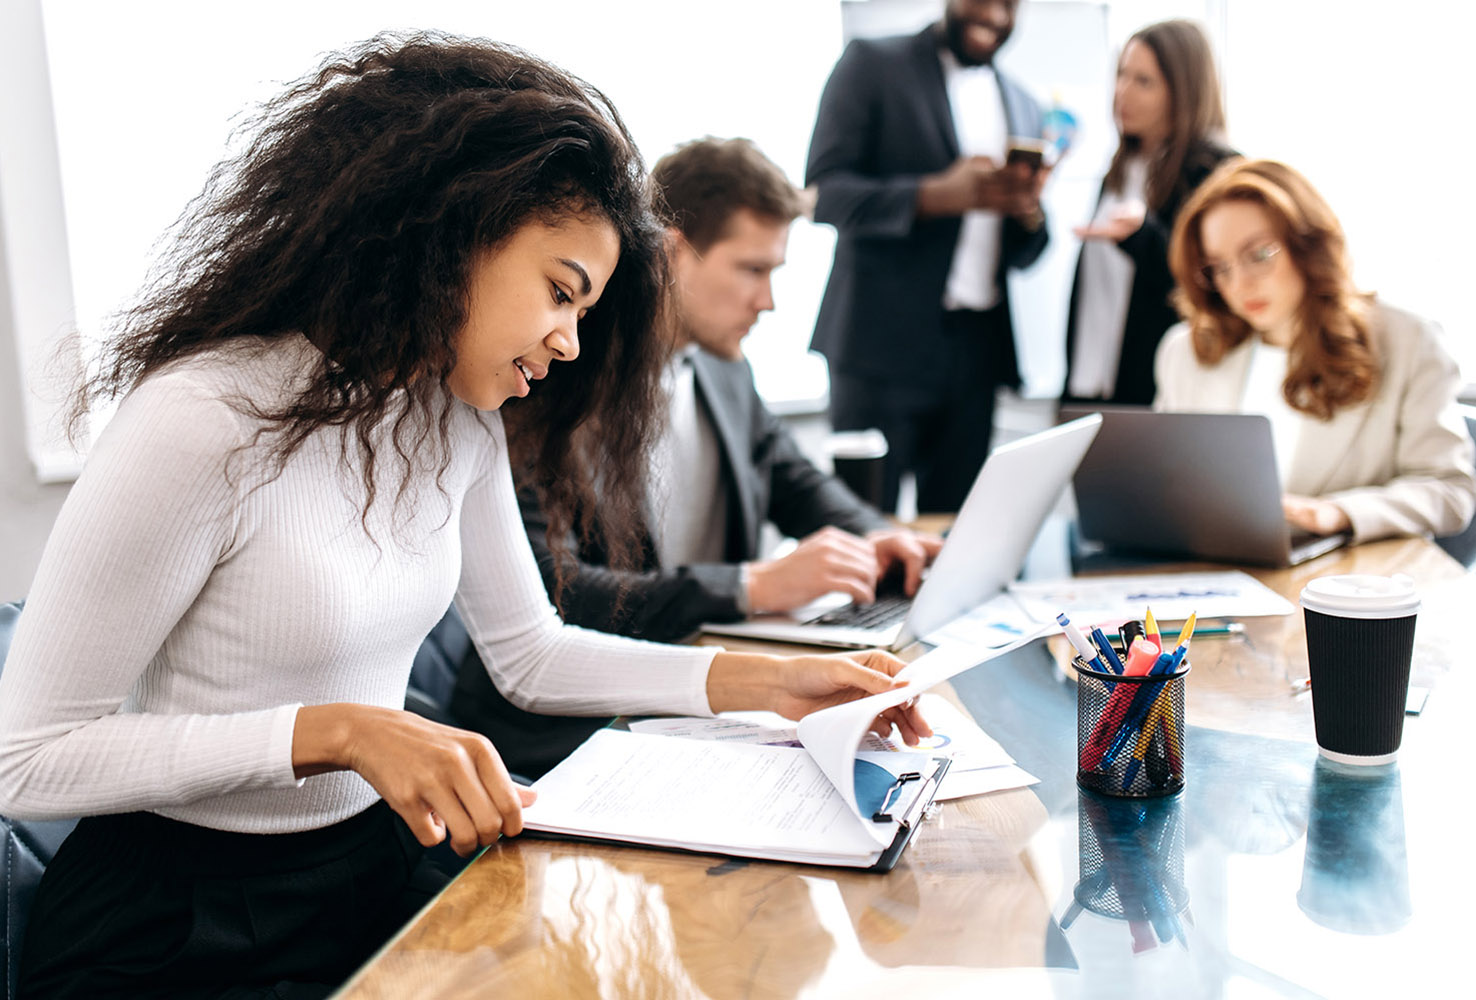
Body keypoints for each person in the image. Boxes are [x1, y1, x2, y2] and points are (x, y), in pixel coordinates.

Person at [0, 35, 929, 998]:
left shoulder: (455, 417)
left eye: (586, 311)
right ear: (448, 232)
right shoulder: (202, 419)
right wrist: (339, 732)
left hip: (369, 869)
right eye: (560, 292)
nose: (567, 341)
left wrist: (764, 681)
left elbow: (531, 655)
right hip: (177, 927)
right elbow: (26, 765)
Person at [448, 137, 943, 778]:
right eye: (752, 269)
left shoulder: (725, 369)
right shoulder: (543, 375)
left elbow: (791, 475)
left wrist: (880, 537)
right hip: (554, 746)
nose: (767, 301)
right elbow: (556, 593)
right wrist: (750, 586)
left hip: (691, 699)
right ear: (672, 252)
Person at [805, 0, 1050, 514]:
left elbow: (1026, 253)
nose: (996, 14)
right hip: (878, 347)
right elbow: (824, 194)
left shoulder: (1026, 105)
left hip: (977, 353)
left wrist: (1028, 212)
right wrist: (937, 195)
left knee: (959, 532)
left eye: (1010, 4)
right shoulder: (871, 64)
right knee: (866, 528)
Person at [1157, 158, 1476, 542]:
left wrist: (1341, 512)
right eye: (1220, 267)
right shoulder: (1185, 351)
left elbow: (1451, 490)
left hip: (1351, 579)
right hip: (1222, 573)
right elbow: (1167, 484)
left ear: (1307, 243)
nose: (1240, 283)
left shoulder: (1409, 341)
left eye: (1259, 255)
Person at [1064, 19, 1237, 405]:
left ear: (1184, 91)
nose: (1122, 92)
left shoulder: (1215, 173)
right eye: (1122, 75)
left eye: (1143, 81)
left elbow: (1213, 285)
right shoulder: (1122, 168)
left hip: (1160, 392)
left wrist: (1143, 236)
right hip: (1092, 384)